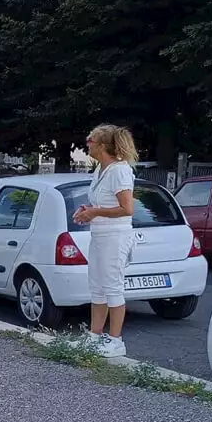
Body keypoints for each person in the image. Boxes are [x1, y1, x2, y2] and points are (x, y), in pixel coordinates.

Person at [73, 124, 138, 357]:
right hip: (99, 235)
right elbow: (104, 204)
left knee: (112, 286)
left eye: (90, 141)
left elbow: (127, 209)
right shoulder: (100, 170)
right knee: (97, 286)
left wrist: (95, 212)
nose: (87, 144)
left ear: (102, 145)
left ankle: (116, 340)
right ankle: (95, 336)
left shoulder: (119, 171)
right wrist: (88, 211)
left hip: (115, 236)